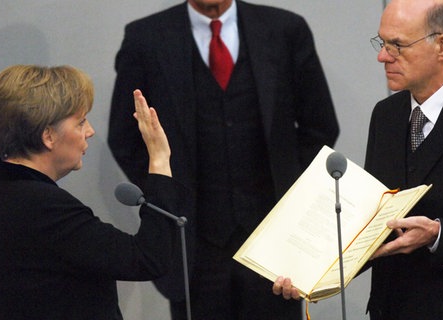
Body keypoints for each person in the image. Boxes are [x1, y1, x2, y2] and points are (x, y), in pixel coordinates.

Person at [274, 1, 443, 319]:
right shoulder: (386, 115)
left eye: (397, 45)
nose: (383, 56)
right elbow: (376, 224)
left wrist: (439, 234)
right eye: (382, 42)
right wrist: (311, 274)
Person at [108, 0, 339, 319]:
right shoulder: (145, 38)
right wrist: (167, 197)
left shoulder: (285, 29)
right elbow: (124, 138)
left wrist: (290, 201)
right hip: (192, 245)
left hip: (274, 246)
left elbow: (320, 126)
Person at [0, 65, 184, 320]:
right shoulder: (44, 207)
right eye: (80, 122)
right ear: (48, 135)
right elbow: (148, 258)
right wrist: (159, 159)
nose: (89, 131)